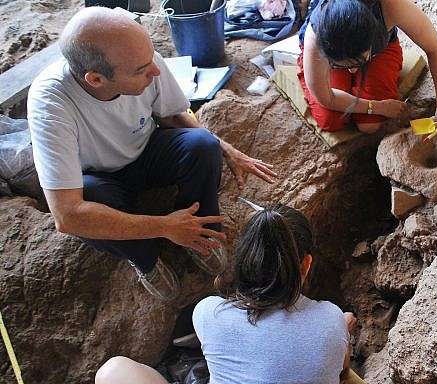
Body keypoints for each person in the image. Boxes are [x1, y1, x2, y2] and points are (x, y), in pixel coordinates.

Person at [26, 7, 277, 301]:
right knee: (92, 200)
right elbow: (67, 215)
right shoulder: (51, 104)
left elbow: (174, 115)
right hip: (101, 177)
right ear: (95, 79)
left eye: (151, 59)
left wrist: (224, 147)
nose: (155, 71)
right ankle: (146, 258)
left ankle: (200, 233)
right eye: (141, 71)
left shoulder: (142, 59)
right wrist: (165, 226)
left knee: (202, 145)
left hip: (147, 150)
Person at [93, 205, 374, 384]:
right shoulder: (331, 317)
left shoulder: (208, 313)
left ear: (241, 261)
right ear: (306, 265)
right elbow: (340, 370)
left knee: (113, 372)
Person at [298, 0, 437, 135]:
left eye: (357, 64)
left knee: (370, 125)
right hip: (334, 54)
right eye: (346, 66)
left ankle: (353, 69)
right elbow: (326, 97)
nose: (352, 70)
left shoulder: (390, 6)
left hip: (378, 51)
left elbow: (434, 48)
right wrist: (376, 107)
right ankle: (333, 67)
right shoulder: (316, 37)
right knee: (331, 121)